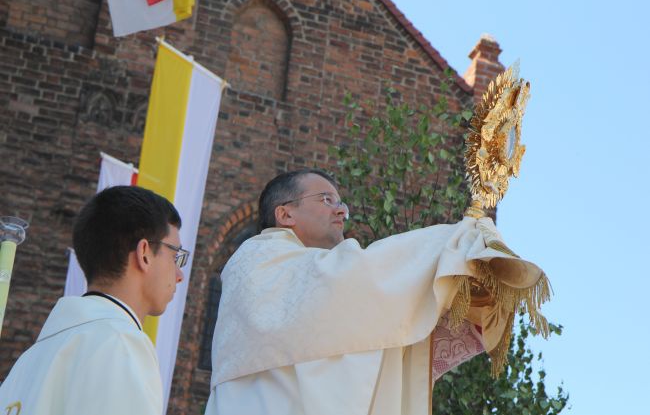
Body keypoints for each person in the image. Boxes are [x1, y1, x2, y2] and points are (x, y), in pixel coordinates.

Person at [206, 169, 546, 415]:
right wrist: (452, 243)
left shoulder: (318, 275)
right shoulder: (256, 258)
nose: (341, 210)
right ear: (285, 213)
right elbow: (350, 282)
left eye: (342, 203)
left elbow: (360, 332)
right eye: (326, 200)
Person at [0, 186, 187, 415]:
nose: (179, 275)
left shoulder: (27, 362)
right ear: (144, 253)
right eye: (175, 255)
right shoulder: (119, 344)